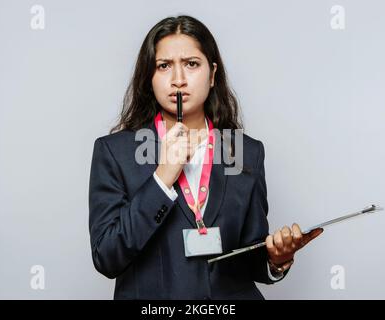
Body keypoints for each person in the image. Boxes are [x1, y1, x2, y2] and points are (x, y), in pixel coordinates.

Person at [88, 15, 323, 300]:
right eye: (164, 66)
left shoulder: (245, 152)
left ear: (212, 75)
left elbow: (248, 258)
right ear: (149, 78)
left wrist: (275, 259)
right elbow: (107, 256)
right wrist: (163, 178)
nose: (178, 80)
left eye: (191, 64)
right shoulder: (116, 152)